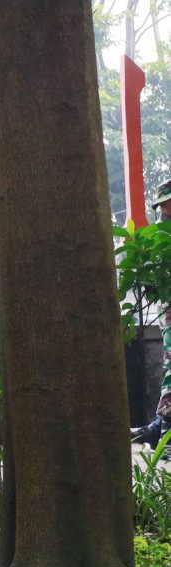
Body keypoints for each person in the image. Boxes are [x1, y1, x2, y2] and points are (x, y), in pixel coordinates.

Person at [130, 178, 171, 452]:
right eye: (164, 205)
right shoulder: (160, 234)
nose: (166, 209)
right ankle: (163, 431)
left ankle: (160, 428)